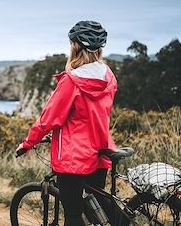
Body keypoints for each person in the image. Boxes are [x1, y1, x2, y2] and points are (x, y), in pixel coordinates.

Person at [16, 20, 117, 226]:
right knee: (98, 211)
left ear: (75, 46)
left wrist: (28, 143)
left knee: (73, 215)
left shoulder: (71, 81)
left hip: (74, 158)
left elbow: (48, 119)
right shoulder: (108, 76)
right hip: (100, 150)